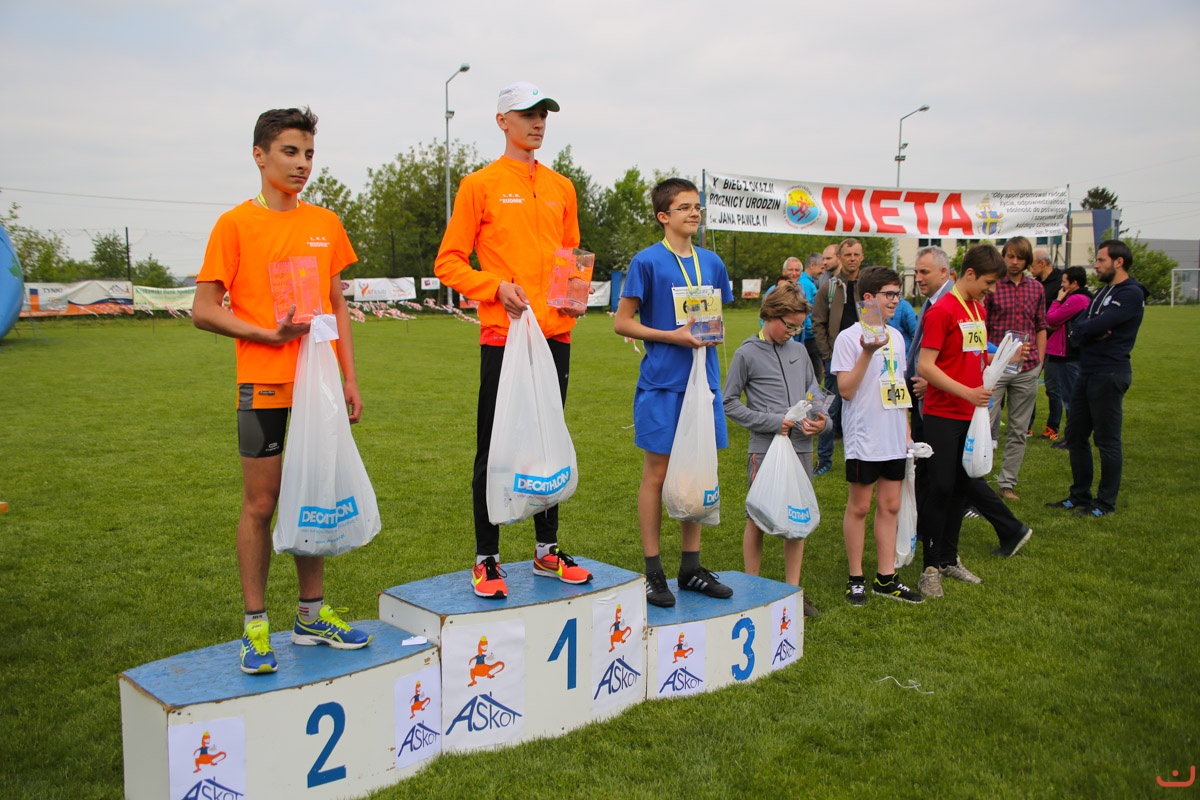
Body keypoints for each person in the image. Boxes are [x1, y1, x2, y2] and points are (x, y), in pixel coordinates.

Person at [192, 107, 372, 675]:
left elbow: (337, 302)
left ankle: (310, 616)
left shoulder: (325, 223)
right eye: (290, 152)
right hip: (263, 382)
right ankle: (255, 625)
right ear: (260, 155)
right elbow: (203, 309)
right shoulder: (234, 224)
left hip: (319, 384)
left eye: (309, 154)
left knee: (314, 494)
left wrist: (348, 375)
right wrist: (266, 334)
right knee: (261, 504)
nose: (302, 164)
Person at [434, 81, 591, 599]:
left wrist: (574, 295)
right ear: (503, 121)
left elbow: (571, 256)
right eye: (527, 114)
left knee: (548, 441)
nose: (538, 122)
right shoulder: (479, 185)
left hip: (555, 335)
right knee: (495, 445)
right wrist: (495, 287)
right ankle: (487, 558)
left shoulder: (562, 187)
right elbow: (448, 262)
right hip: (504, 336)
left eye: (544, 113)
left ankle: (547, 551)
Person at [613, 177, 735, 608]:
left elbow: (714, 315)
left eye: (697, 206)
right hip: (663, 384)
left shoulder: (712, 263)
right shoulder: (647, 261)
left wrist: (712, 333)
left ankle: (690, 567)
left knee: (695, 472)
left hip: (704, 384)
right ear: (663, 216)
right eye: (684, 207)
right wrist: (673, 336)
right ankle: (653, 571)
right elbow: (622, 322)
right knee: (658, 474)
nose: (694, 213)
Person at [914, 245, 1034, 599]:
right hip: (942, 414)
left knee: (961, 488)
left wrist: (1007, 355)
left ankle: (948, 558)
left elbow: (976, 357)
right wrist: (967, 392)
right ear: (969, 274)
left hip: (970, 414)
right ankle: (929, 568)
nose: (990, 290)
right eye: (988, 282)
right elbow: (925, 366)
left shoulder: (977, 309)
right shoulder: (941, 310)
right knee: (940, 488)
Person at [723, 282, 827, 617]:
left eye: (799, 328)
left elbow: (813, 392)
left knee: (797, 518)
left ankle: (793, 591)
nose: (794, 333)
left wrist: (821, 419)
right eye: (790, 326)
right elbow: (728, 403)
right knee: (758, 516)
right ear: (770, 315)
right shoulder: (746, 353)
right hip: (765, 449)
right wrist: (772, 422)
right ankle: (752, 589)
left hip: (801, 448)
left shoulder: (799, 351)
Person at [830, 266, 922, 605]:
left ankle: (886, 577)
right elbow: (846, 390)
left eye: (898, 293)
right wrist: (867, 352)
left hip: (893, 435)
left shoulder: (897, 336)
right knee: (860, 506)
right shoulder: (848, 338)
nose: (896, 300)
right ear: (868, 298)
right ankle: (856, 577)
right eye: (889, 294)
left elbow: (898, 385)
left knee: (891, 504)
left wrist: (906, 426)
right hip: (864, 437)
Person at [1047, 240, 1146, 517]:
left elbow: (1095, 325)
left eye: (1101, 260)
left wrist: (1089, 330)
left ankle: (1105, 503)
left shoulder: (1131, 293)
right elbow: (1079, 327)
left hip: (1110, 372)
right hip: (1088, 370)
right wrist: (1089, 331)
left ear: (1118, 262)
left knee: (1107, 440)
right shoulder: (1103, 292)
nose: (1096, 265)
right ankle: (1079, 495)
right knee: (1075, 434)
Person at [985, 236, 1047, 501]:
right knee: (985, 424)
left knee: (1018, 429)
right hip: (997, 365)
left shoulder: (1036, 289)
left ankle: (1007, 483)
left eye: (1020, 257)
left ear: (1027, 260)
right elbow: (983, 325)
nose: (1014, 262)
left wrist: (1040, 359)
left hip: (1027, 368)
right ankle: (978, 481)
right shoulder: (992, 286)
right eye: (1010, 256)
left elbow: (1041, 325)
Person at [811, 238, 864, 476]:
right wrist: (827, 354)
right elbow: (818, 323)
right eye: (848, 254)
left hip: (864, 356)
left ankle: (863, 455)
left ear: (862, 257)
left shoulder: (868, 285)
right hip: (836, 357)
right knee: (829, 408)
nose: (852, 258)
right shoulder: (829, 287)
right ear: (840, 258)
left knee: (864, 407)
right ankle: (824, 459)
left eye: (856, 254)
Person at [1044, 266, 1091, 449]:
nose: (1061, 286)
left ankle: (1073, 438)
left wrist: (1057, 300)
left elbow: (1051, 318)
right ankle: (1072, 437)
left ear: (1074, 283)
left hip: (1069, 355)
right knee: (1067, 396)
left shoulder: (1078, 299)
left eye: (1064, 282)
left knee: (1071, 398)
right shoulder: (1079, 298)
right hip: (1065, 354)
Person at [1028, 249, 1066, 439]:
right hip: (1034, 341)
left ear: (1042, 263)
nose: (1029, 268)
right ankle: (1027, 425)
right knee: (1028, 384)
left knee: (1053, 387)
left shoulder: (1061, 282)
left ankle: (1052, 426)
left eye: (1032, 264)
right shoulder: (1034, 285)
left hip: (1054, 345)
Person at [799, 254, 825, 381]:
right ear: (812, 265)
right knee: (815, 376)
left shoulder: (807, 282)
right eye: (822, 267)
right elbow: (807, 311)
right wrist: (814, 331)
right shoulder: (806, 284)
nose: (823, 272)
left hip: (807, 336)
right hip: (810, 338)